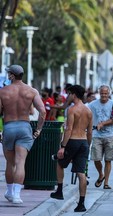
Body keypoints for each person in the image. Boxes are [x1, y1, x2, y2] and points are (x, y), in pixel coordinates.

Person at [0, 65, 46, 204]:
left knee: (10, 162)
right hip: (25, 128)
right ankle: (16, 195)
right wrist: (38, 129)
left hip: (9, 127)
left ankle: (9, 191)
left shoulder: (3, 91)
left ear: (12, 75)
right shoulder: (31, 91)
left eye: (9, 74)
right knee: (21, 162)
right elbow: (42, 112)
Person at [50, 85, 92, 212]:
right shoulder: (88, 111)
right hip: (84, 142)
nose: (68, 96)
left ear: (74, 94)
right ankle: (81, 204)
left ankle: (59, 191)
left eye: (69, 94)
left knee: (60, 163)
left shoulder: (72, 110)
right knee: (81, 173)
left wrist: (62, 146)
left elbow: (68, 130)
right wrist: (88, 145)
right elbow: (89, 132)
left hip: (72, 141)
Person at [87, 85, 113, 189]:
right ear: (99, 93)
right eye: (102, 93)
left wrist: (102, 124)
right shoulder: (92, 105)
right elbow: (85, 114)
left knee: (108, 159)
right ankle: (101, 174)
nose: (104, 95)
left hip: (110, 135)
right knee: (96, 158)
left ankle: (106, 183)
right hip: (96, 135)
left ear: (109, 94)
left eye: (106, 93)